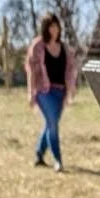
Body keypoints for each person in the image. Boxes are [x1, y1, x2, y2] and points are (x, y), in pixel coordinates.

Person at [26, 13, 78, 172]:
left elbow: (71, 69)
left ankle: (39, 153)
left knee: (50, 124)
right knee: (53, 125)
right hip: (44, 92)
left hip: (60, 92)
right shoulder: (38, 46)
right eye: (51, 26)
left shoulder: (64, 48)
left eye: (56, 26)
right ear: (45, 28)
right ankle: (58, 160)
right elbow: (31, 71)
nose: (54, 30)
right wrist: (31, 92)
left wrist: (71, 88)